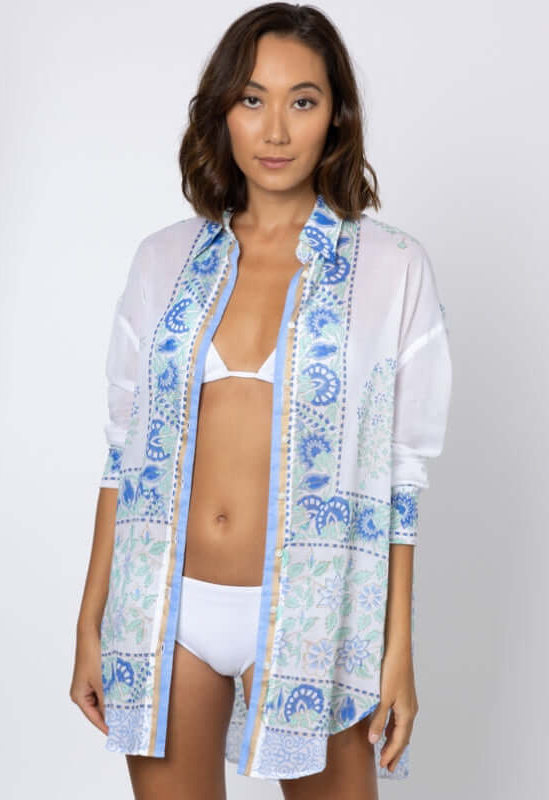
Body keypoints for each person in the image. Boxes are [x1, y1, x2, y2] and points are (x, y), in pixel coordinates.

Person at [70, 4, 453, 799]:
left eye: (302, 101)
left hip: (320, 617)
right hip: (164, 611)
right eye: (252, 99)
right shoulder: (163, 260)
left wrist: (398, 652)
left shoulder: (391, 268)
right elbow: (121, 451)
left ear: (336, 115)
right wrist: (90, 619)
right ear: (223, 110)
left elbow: (401, 477)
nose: (275, 130)